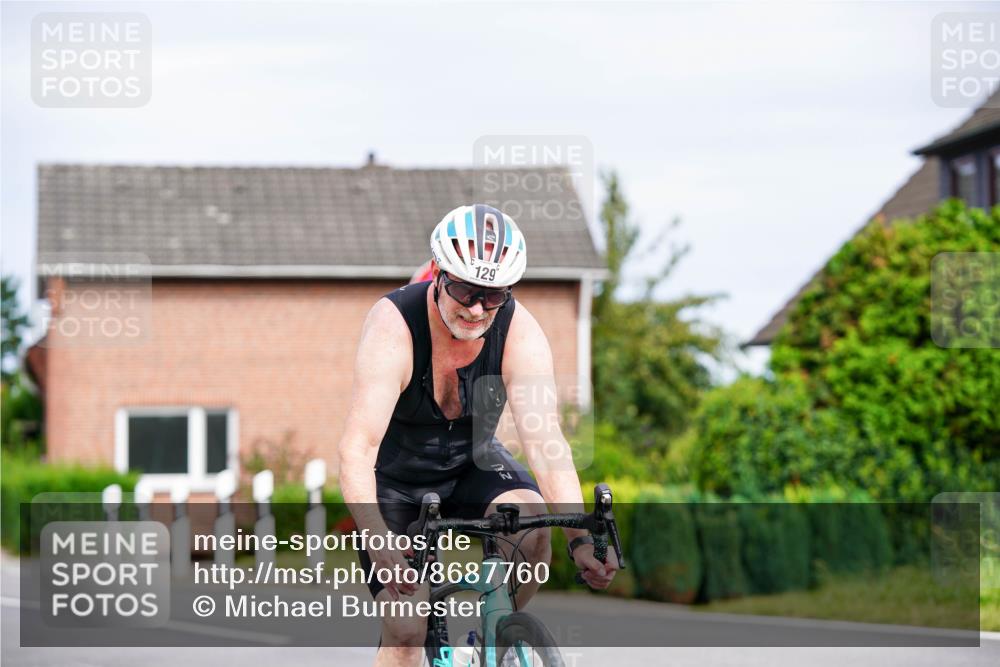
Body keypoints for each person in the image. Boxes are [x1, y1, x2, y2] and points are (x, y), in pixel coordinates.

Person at [338, 203, 618, 667]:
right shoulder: (394, 325)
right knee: (408, 629)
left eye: (492, 295)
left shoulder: (519, 331)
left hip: (475, 462)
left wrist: (580, 538)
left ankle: (494, 637)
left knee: (532, 531)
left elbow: (546, 441)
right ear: (439, 276)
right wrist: (376, 537)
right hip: (397, 481)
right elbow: (357, 447)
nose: (475, 308)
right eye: (465, 290)